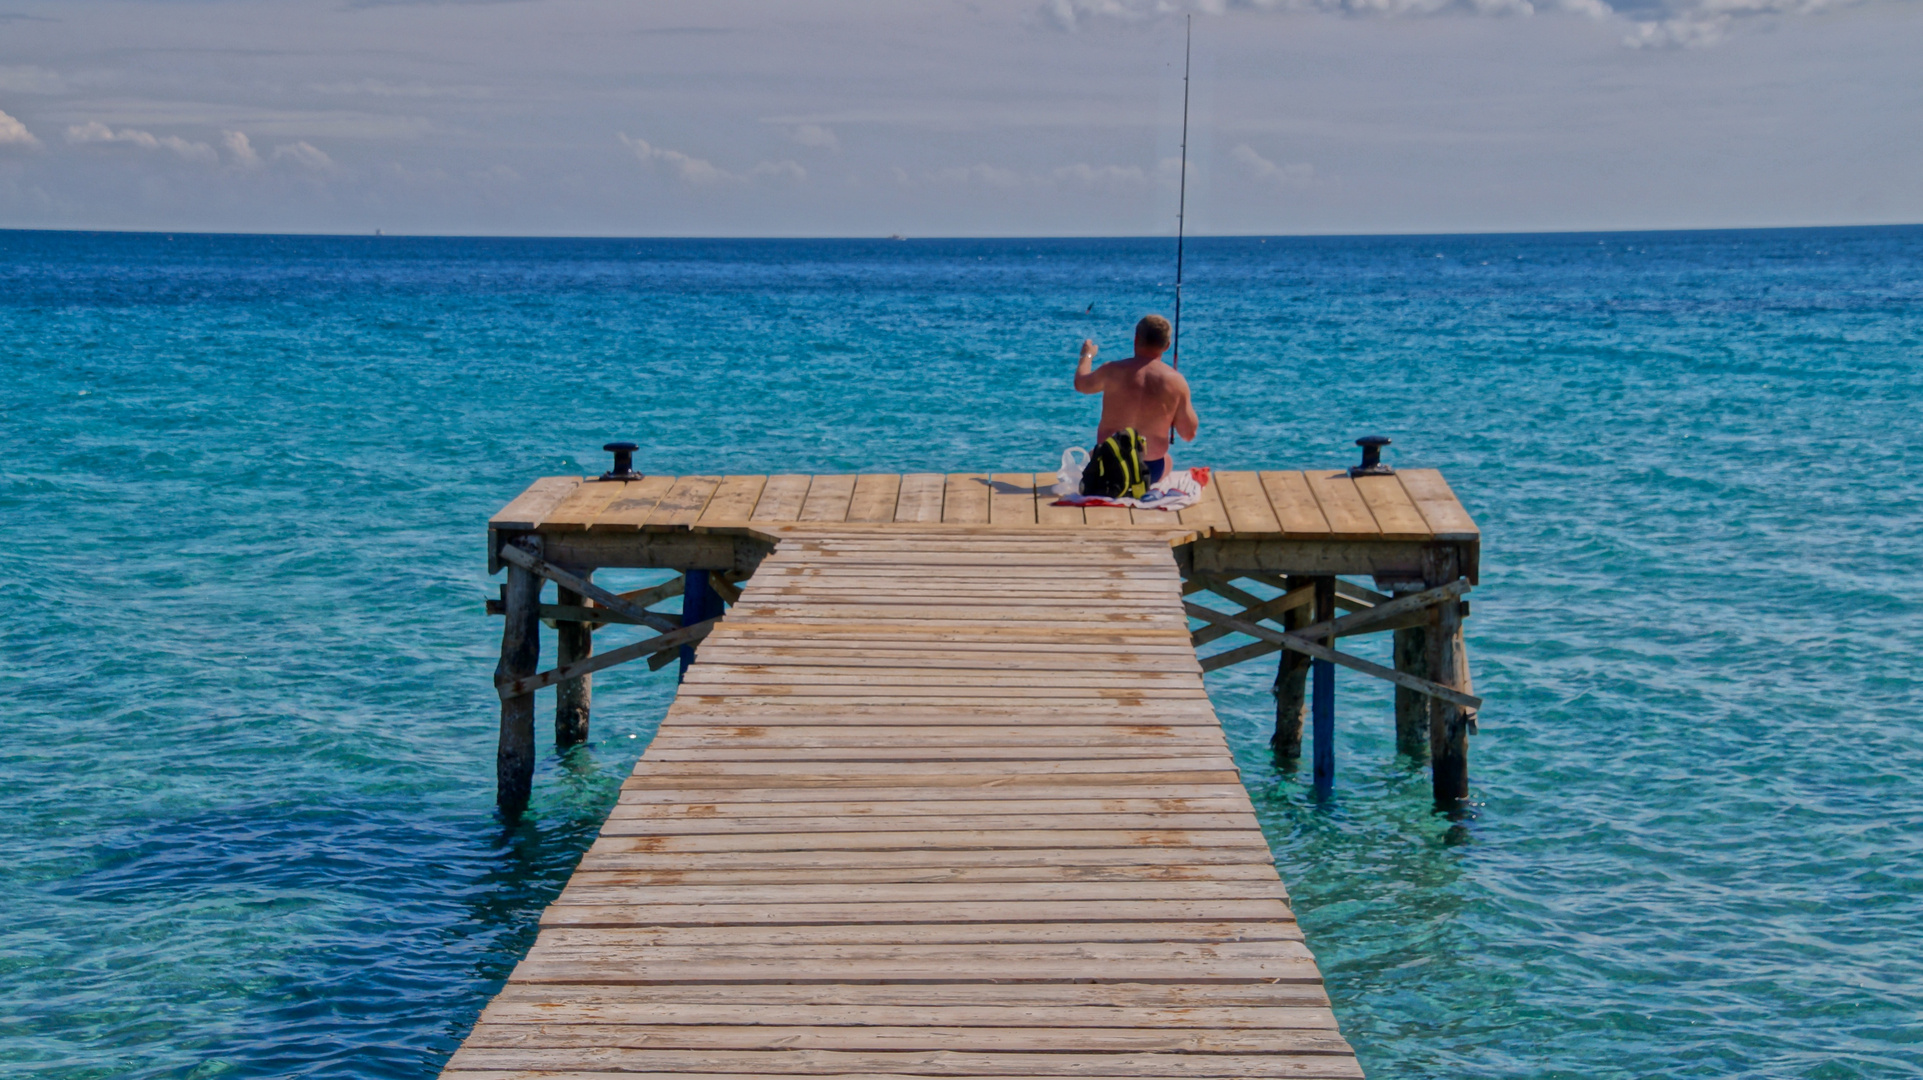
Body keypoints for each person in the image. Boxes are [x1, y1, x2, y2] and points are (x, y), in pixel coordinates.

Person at [1073, 314, 1199, 484]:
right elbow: (1188, 434)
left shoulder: (1112, 370)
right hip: (1149, 472)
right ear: (1167, 345)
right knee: (1167, 460)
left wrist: (1086, 356)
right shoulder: (1176, 381)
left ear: (1136, 339)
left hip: (1109, 468)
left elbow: (1081, 384)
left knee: (1093, 454)